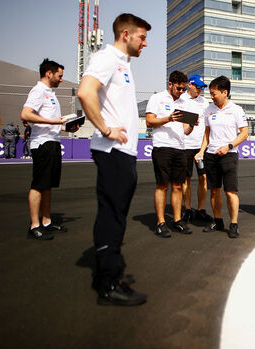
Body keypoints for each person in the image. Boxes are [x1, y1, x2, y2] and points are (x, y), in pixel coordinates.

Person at [77, 13, 151, 306]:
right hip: (112, 151)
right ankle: (108, 284)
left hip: (124, 153)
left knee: (116, 215)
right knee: (112, 216)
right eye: (142, 37)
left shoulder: (123, 64)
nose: (145, 44)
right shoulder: (107, 58)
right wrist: (106, 129)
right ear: (125, 35)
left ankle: (111, 276)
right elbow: (85, 92)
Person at [21, 58, 75, 240]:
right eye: (59, 76)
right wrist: (54, 121)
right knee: (38, 185)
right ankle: (34, 225)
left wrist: (67, 127)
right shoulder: (38, 91)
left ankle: (46, 221)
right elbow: (26, 114)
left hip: (52, 142)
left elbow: (54, 123)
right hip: (42, 143)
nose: (61, 79)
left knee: (48, 185)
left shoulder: (51, 93)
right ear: (49, 73)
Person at [195, 76, 248, 238]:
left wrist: (229, 146)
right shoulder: (209, 110)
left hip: (229, 155)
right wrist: (201, 151)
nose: (212, 96)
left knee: (230, 191)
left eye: (214, 93)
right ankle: (217, 221)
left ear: (225, 92)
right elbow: (207, 133)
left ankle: (233, 223)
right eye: (211, 93)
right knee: (214, 191)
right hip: (211, 155)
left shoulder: (236, 110)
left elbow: (244, 133)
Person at [145, 70, 195, 237]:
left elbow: (185, 131)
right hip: (162, 147)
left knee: (178, 186)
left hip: (180, 147)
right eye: (179, 88)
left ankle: (177, 220)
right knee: (162, 185)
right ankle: (160, 222)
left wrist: (192, 125)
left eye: (183, 89)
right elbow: (149, 121)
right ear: (170, 85)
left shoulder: (184, 102)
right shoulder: (157, 98)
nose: (181, 92)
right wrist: (168, 118)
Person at [180, 74, 213, 224]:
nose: (200, 89)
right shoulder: (181, 100)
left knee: (203, 177)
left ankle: (200, 209)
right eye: (198, 86)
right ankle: (187, 209)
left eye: (202, 87)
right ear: (190, 85)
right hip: (185, 145)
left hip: (201, 147)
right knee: (185, 178)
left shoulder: (205, 102)